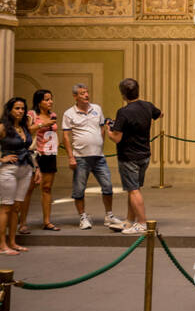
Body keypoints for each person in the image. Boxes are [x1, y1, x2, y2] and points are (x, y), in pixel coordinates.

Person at [61, 84, 124, 230]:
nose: (86, 95)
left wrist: (99, 142)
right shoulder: (69, 113)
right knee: (79, 189)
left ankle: (109, 215)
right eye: (82, 93)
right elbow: (65, 136)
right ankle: (83, 216)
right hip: (80, 157)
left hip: (98, 156)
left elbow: (102, 127)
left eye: (87, 92)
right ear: (75, 96)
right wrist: (70, 157)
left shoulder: (97, 109)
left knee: (107, 185)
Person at [108, 78, 162, 235]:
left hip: (128, 156)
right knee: (134, 189)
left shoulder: (123, 112)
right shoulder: (148, 106)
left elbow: (117, 138)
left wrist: (107, 130)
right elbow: (160, 114)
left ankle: (142, 223)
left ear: (123, 94)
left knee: (133, 190)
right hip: (144, 154)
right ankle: (129, 221)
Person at [0, 98, 37, 255]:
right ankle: (2, 245)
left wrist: (37, 169)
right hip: (8, 169)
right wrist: (1, 158)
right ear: (9, 110)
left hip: (25, 168)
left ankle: (13, 241)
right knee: (6, 207)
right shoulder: (2, 127)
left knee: (16, 207)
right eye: (17, 108)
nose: (21, 111)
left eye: (23, 108)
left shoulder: (24, 127)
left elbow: (29, 150)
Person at [19, 89, 59, 232]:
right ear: (39, 102)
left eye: (51, 99)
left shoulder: (52, 115)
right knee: (28, 189)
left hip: (49, 154)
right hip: (34, 154)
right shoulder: (31, 114)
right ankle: (22, 223)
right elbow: (26, 131)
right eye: (46, 99)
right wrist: (42, 124)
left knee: (47, 188)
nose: (50, 102)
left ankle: (47, 221)